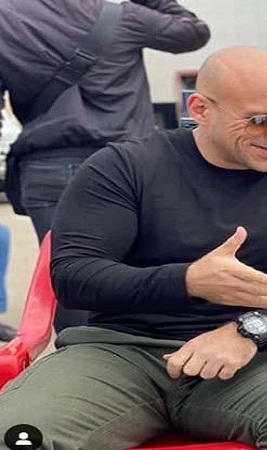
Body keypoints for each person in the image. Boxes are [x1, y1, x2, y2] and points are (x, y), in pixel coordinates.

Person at [0, 47, 267, 449]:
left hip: (259, 360)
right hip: (119, 352)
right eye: (262, 120)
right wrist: (188, 281)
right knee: (20, 432)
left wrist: (251, 330)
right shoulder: (123, 167)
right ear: (200, 109)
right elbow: (75, 277)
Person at [0, 0, 210, 331]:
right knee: (149, 268)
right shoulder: (123, 16)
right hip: (129, 165)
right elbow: (194, 32)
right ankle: (148, 353)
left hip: (48, 166)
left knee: (72, 277)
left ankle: (79, 357)